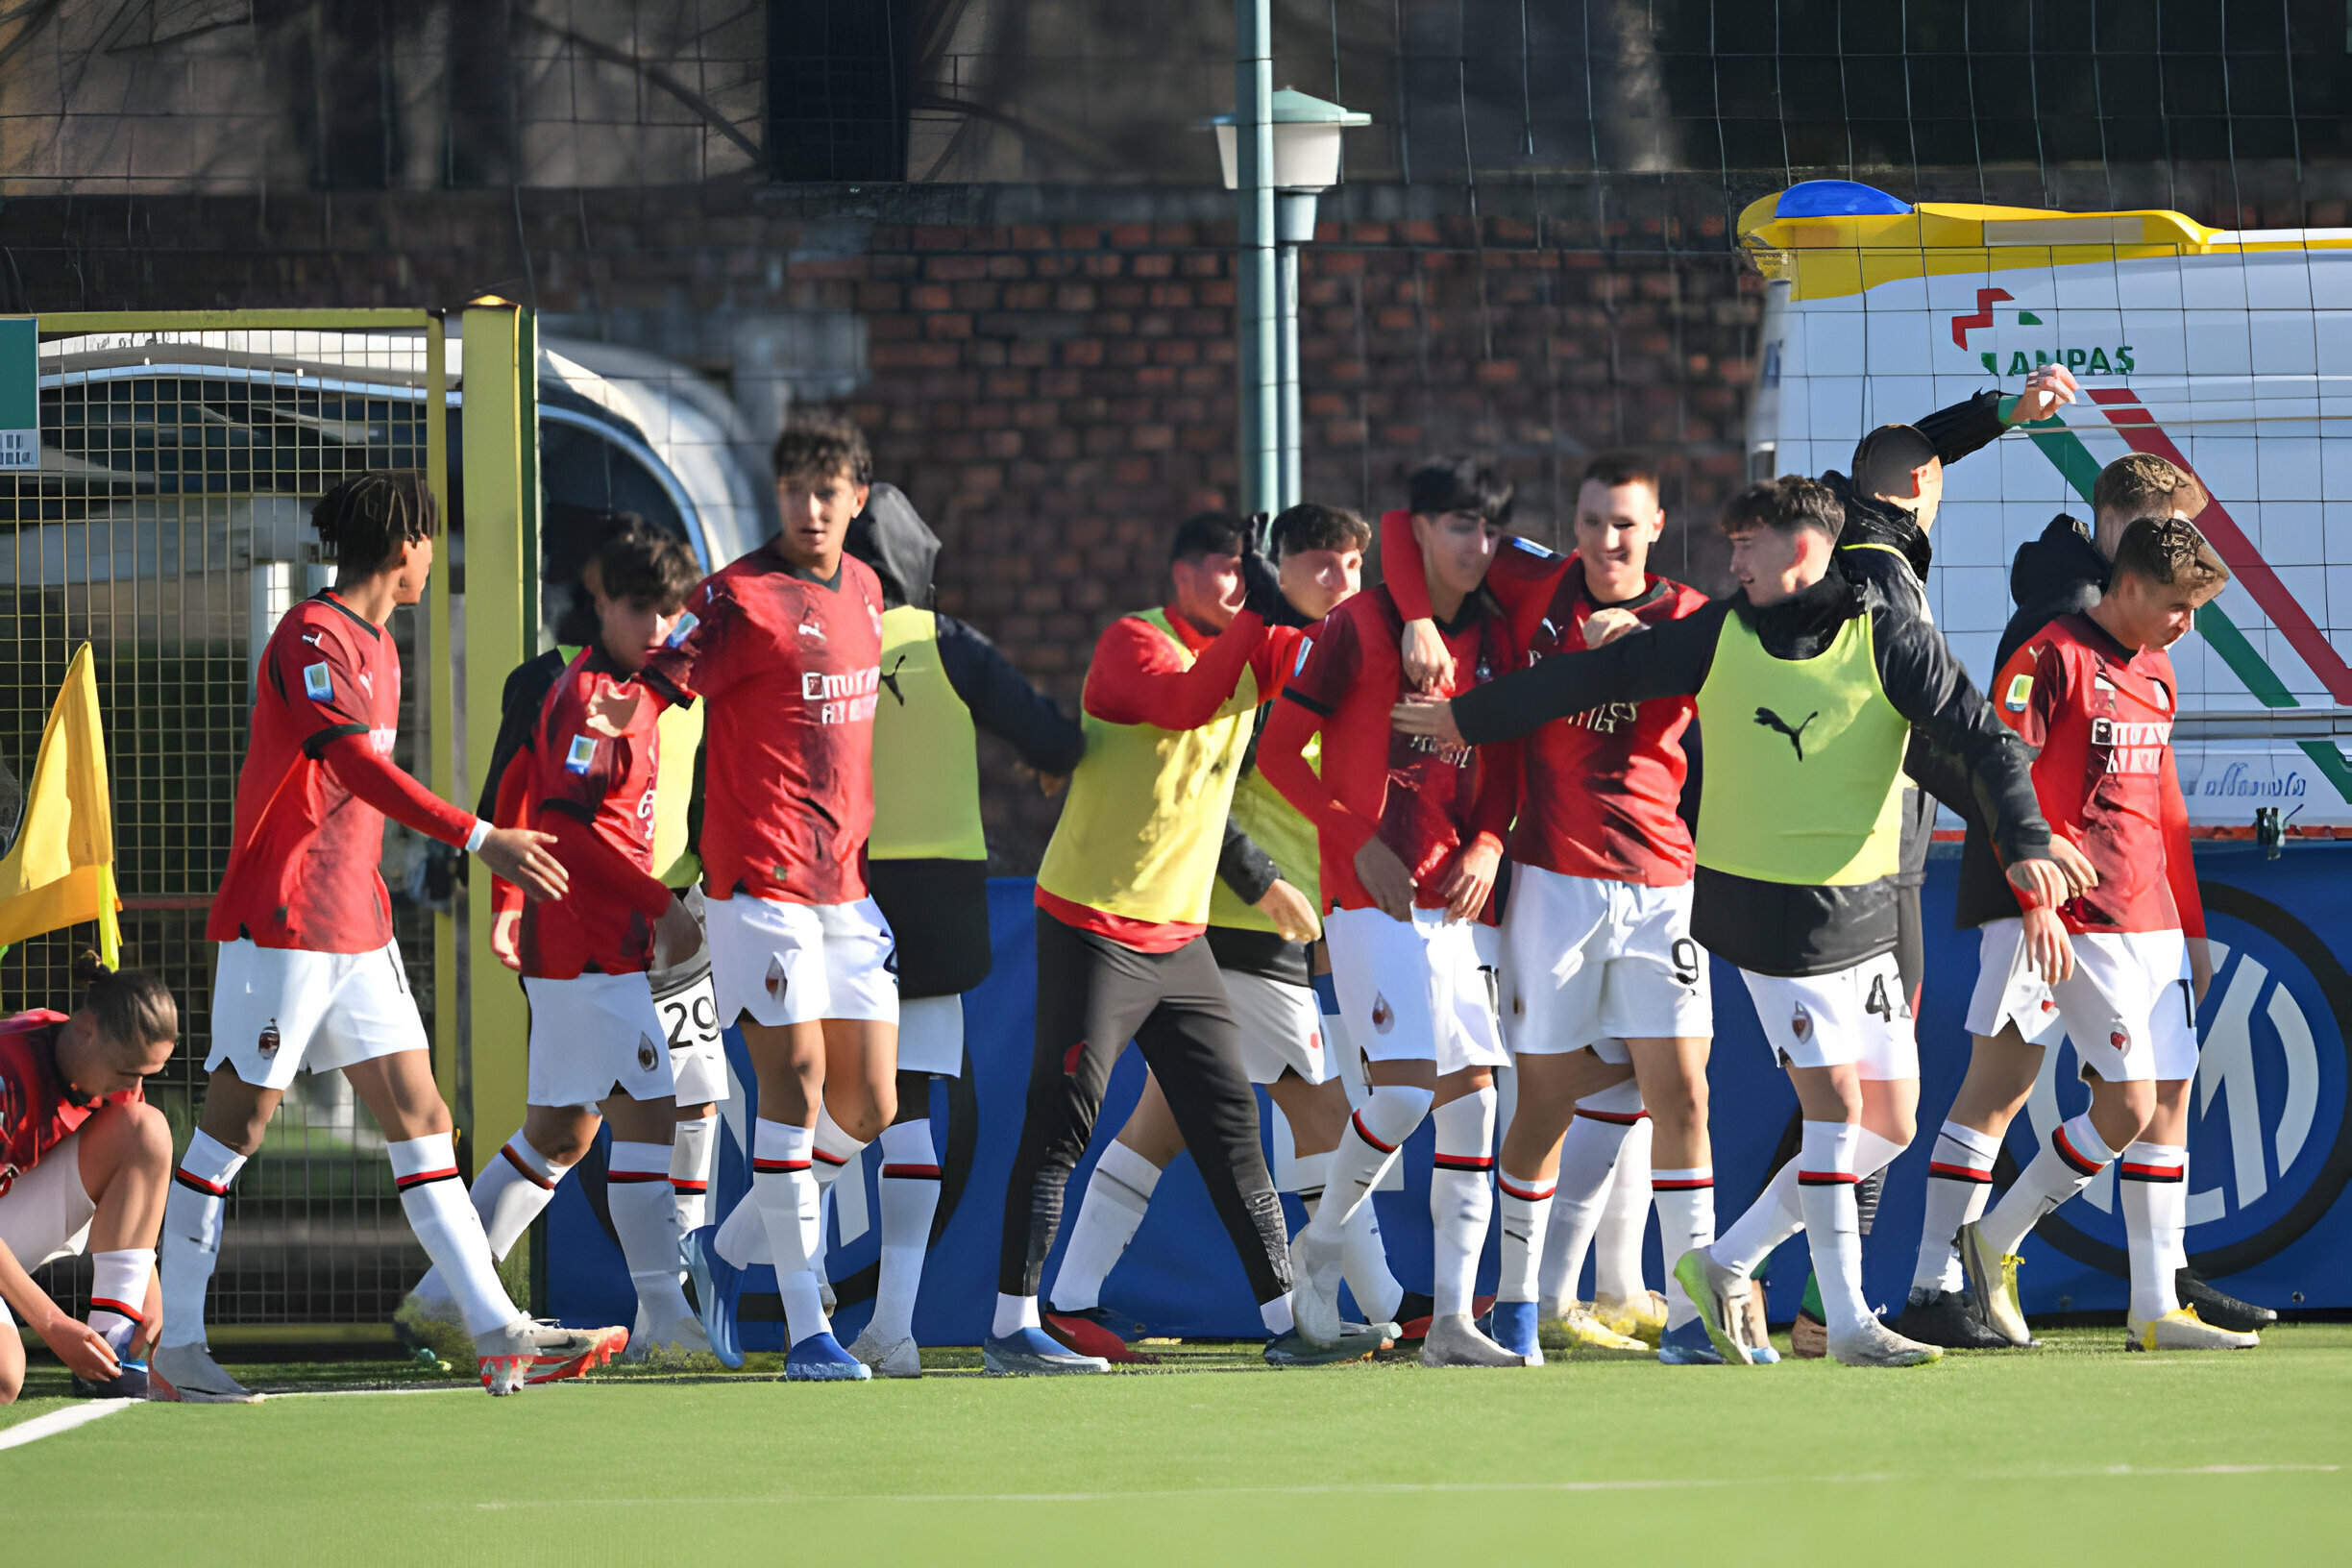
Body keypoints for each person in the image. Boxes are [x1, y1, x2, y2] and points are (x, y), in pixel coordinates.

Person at [1394, 474, 2077, 1368]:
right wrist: (1463, 720)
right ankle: (1849, 1324)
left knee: (1892, 1125)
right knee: (1832, 1111)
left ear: (1801, 549)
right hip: (1764, 909)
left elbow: (1983, 741)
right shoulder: (1719, 633)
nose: (1731, 559)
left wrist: (2024, 837)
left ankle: (1723, 1262)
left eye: (1747, 543)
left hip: (1865, 906)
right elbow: (1590, 677)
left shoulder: (1891, 638)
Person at [159, 472, 620, 1401]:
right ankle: (176, 1350)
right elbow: (357, 771)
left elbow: (361, 793)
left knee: (424, 1120)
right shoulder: (310, 635)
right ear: (400, 541)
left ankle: (496, 1332)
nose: (428, 558)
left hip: (357, 924)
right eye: (426, 541)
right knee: (232, 1131)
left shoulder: (386, 643)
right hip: (285, 922)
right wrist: (481, 836)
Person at [1896, 452, 2270, 1343]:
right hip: (2056, 909)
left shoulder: (2157, 668)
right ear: (2127, 552)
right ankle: (1942, 1275)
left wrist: (2191, 922)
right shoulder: (2052, 635)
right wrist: (2032, 881)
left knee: (2160, 1096)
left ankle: (2153, 1304)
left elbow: (2161, 803)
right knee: (2010, 1089)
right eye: (2178, 602)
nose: (2187, 626)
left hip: (2143, 918)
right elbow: (2001, 767)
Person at [1041, 502, 1408, 1362]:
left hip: (1257, 937)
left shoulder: (1327, 663)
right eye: (1321, 563)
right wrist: (1269, 884)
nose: (1342, 580)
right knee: (1326, 1113)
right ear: (1279, 569)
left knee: (1159, 1127)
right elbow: (1204, 799)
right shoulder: (1250, 661)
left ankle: (1070, 1299)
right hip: (1239, 931)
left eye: (1356, 564)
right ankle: (1385, 1302)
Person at [1380, 453, 1719, 1364]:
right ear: (1571, 525)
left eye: (1625, 523)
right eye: (1592, 520)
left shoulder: (1689, 620)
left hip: (1661, 889)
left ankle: (1700, 1318)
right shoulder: (1532, 580)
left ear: (1655, 528)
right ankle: (1521, 1308)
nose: (1607, 540)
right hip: (1553, 887)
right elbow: (1401, 526)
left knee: (1680, 1094)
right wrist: (1415, 615)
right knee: (1544, 1101)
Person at [623, 415, 900, 1383]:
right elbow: (649, 694)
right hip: (759, 884)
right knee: (797, 1086)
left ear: (858, 498)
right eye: (794, 491)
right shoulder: (736, 599)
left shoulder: (867, 590)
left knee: (869, 1103)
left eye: (828, 492)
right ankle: (806, 1331)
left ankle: (726, 1250)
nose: (810, 509)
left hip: (848, 888)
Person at [403, 523, 709, 1358]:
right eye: (640, 609)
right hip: (587, 943)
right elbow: (569, 834)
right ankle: (668, 1325)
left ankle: (441, 1296)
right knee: (651, 1114)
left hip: (575, 942)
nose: (659, 629)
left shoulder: (634, 677)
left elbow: (513, 784)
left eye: (669, 613)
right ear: (600, 599)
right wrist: (663, 904)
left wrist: (505, 899)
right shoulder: (584, 698)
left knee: (561, 1132)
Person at [1259, 459, 1525, 1367]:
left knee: (1474, 1113)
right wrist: (1352, 835)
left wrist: (1488, 845)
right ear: (1418, 535)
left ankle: (1451, 1323)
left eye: (1488, 531)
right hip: (1366, 894)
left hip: (1453, 899)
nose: (1477, 547)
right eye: (1458, 527)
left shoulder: (1496, 632)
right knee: (1406, 1092)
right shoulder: (1354, 627)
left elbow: (1507, 769)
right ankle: (1322, 1243)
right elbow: (1279, 753)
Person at [836, 482, 1085, 1378]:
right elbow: (1055, 738)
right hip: (939, 890)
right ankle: (888, 1326)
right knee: (906, 1114)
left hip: (836, 887)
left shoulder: (820, 638)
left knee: (827, 1104)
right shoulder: (947, 643)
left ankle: (750, 1257)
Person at [0, 958, 177, 1403]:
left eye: (146, 1074)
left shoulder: (115, 1074)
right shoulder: (7, 1068)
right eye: (129, 1072)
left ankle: (113, 1356)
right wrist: (53, 1324)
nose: (134, 1085)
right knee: (3, 1378)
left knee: (147, 1129)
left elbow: (134, 1178)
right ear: (86, 1029)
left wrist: (144, 1294)